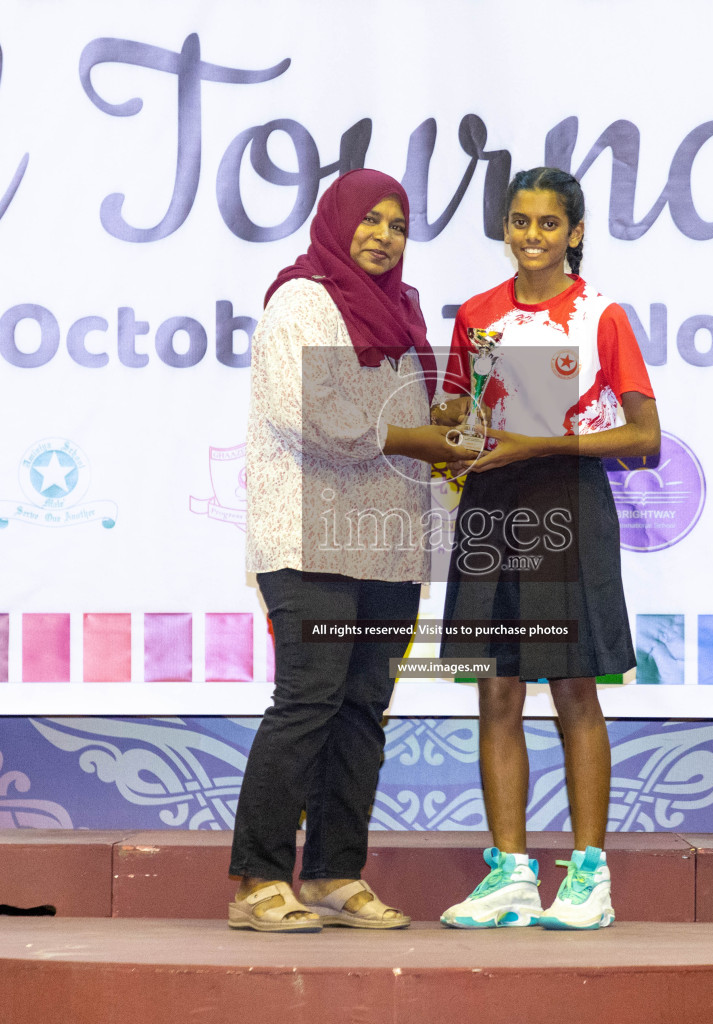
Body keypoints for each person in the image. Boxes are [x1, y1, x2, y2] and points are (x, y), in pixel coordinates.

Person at [230, 169, 466, 932]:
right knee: (308, 702)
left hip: (389, 543)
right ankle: (258, 880)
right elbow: (312, 415)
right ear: (337, 222)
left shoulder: (401, 312)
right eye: (370, 219)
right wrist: (418, 436)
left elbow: (419, 414)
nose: (383, 235)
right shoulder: (301, 301)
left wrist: (457, 431)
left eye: (398, 224)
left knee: (363, 709)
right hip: (308, 537)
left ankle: (335, 872)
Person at [432, 167, 660, 930]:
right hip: (491, 506)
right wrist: (446, 436)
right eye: (519, 221)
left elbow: (645, 436)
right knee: (496, 691)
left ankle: (588, 879)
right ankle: (510, 875)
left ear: (575, 232)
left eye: (547, 223)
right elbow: (457, 414)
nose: (532, 236)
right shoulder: (476, 316)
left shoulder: (601, 316)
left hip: (566, 500)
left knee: (571, 688)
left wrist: (546, 442)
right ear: (505, 229)